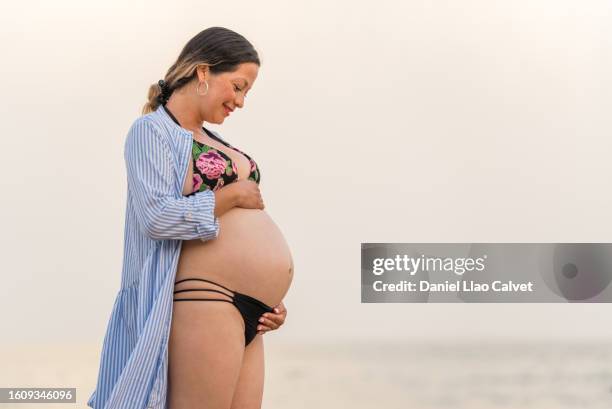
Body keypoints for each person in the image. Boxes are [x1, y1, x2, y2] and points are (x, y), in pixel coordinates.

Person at [88, 27, 293, 409]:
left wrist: (271, 297)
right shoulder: (152, 131)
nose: (241, 101)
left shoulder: (216, 140)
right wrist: (230, 195)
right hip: (205, 299)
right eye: (237, 86)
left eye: (247, 92)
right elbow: (156, 217)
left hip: (250, 314)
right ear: (203, 72)